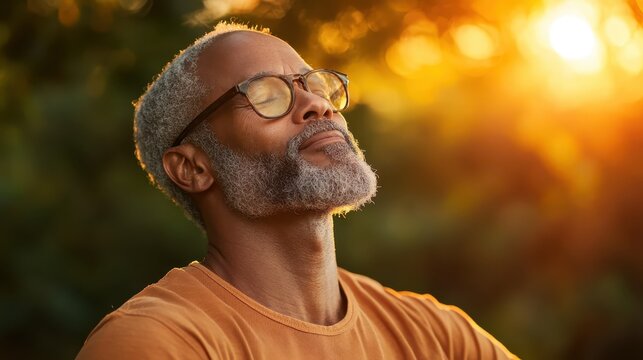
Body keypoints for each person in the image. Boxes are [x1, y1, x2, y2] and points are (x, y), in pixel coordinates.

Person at [77, 22, 518, 359]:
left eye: (315, 84)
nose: (318, 104)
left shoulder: (436, 337)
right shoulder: (157, 343)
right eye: (268, 96)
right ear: (193, 167)